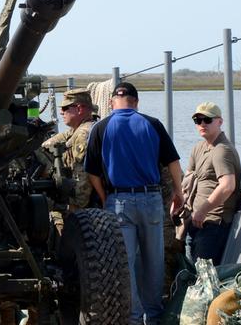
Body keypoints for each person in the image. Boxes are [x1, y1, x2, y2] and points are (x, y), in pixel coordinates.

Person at [84, 81, 184, 325]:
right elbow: (173, 163)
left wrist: (105, 196)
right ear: (136, 102)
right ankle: (156, 317)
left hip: (118, 201)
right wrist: (179, 193)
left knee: (124, 265)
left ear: (111, 103)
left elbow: (92, 172)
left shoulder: (101, 127)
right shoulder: (152, 124)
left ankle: (134, 318)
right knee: (154, 262)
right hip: (150, 199)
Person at [184, 102, 241, 265]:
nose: (202, 124)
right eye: (197, 120)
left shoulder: (222, 150)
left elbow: (227, 186)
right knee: (191, 275)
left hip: (213, 224)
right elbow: (188, 179)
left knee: (204, 277)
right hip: (195, 221)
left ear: (220, 122)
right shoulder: (198, 148)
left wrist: (202, 210)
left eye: (207, 120)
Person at [41, 89, 98, 233]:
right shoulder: (77, 130)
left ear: (79, 109)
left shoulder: (83, 134)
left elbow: (82, 178)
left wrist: (75, 209)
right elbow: (54, 143)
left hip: (84, 208)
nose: (61, 112)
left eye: (65, 108)